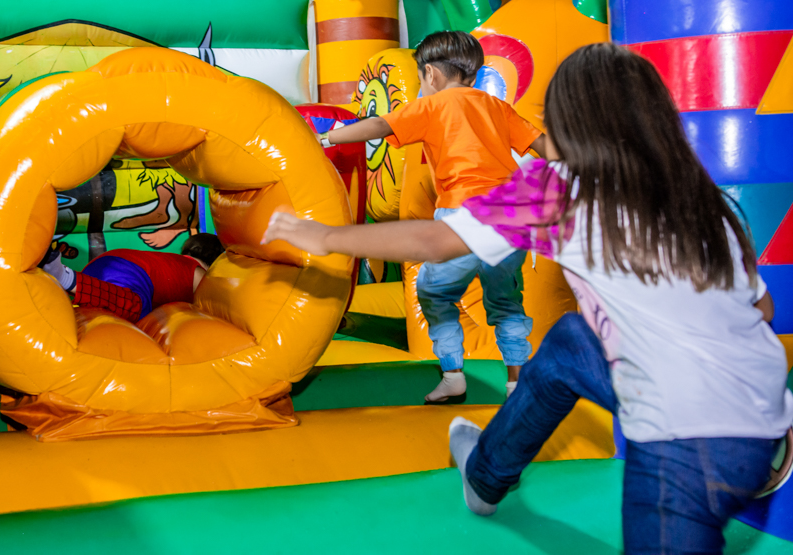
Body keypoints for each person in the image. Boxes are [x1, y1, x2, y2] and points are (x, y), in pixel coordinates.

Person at [264, 43, 792, 552]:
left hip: (686, 442)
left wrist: (326, 236)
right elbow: (761, 311)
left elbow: (434, 241)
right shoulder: (696, 194)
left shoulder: (558, 187)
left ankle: (490, 468)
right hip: (764, 417)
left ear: (570, 123)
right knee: (571, 342)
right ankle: (486, 474)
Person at [318, 30, 550, 403]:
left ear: (431, 74)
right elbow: (543, 146)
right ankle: (516, 383)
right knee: (506, 302)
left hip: (463, 214)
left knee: (433, 293)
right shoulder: (497, 106)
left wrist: (328, 139)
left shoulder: (433, 105)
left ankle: (453, 376)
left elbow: (380, 125)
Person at [40, 233, 225, 322]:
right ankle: (65, 278)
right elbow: (212, 307)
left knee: (95, 314)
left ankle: (62, 291)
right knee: (134, 307)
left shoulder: (175, 262)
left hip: (105, 265)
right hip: (130, 273)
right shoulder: (200, 274)